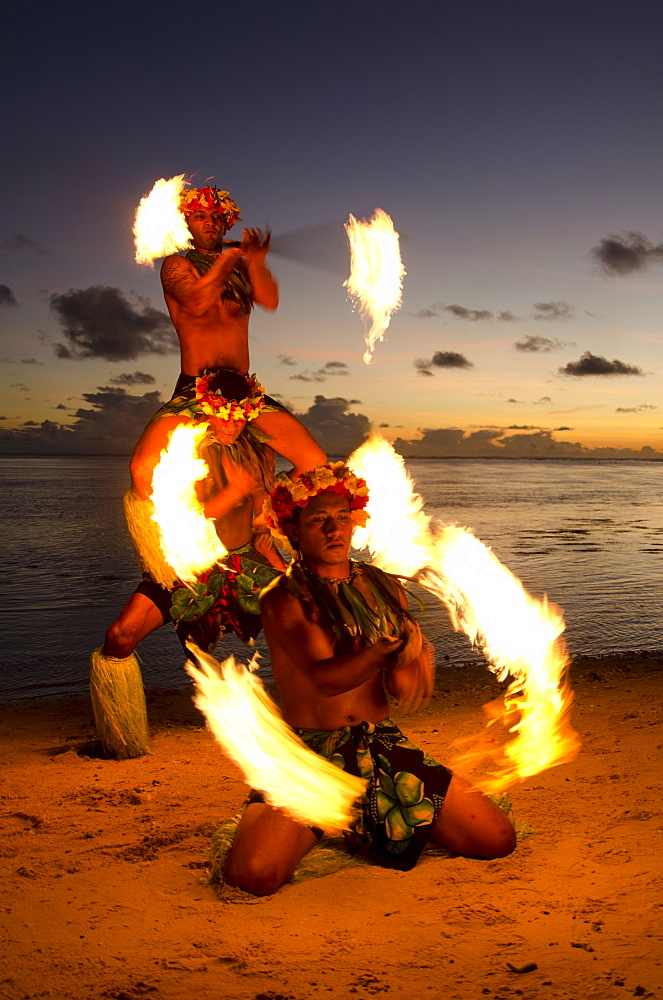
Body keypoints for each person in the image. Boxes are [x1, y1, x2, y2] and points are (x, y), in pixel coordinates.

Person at [224, 463, 516, 895]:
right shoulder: (284, 598)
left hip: (381, 743)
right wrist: (381, 653)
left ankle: (355, 819)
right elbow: (326, 679)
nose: (333, 529)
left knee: (497, 840)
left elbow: (399, 688)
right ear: (294, 531)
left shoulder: (381, 585)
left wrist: (414, 662)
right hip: (312, 753)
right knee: (253, 875)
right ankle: (291, 815)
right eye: (318, 520)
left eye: (342, 517)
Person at [90, 371, 286, 760]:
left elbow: (261, 516)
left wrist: (279, 559)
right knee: (119, 637)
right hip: (189, 565)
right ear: (204, 410)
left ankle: (324, 715)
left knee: (308, 622)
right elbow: (183, 518)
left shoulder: (260, 452)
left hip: (244, 563)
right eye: (223, 414)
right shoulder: (185, 450)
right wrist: (233, 492)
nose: (231, 424)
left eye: (239, 415)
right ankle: (120, 737)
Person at [129, 185, 326, 501]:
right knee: (142, 468)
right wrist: (230, 257)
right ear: (187, 224)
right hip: (195, 389)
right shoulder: (177, 266)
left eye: (217, 217)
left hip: (243, 390)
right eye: (200, 216)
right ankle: (169, 536)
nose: (210, 223)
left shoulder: (240, 268)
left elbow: (270, 300)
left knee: (315, 463)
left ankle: (266, 507)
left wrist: (256, 261)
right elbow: (196, 302)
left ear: (227, 224)